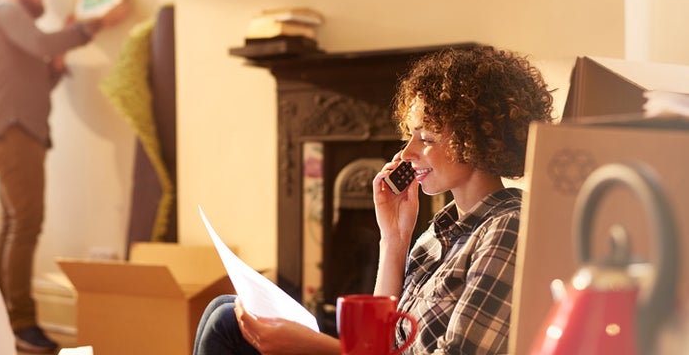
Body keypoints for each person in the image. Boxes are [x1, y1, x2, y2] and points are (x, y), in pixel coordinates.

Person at [193, 46, 555, 355]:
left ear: (477, 141)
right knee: (226, 308)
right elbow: (377, 342)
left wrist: (313, 346)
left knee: (226, 323)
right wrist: (394, 238)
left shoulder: (510, 226)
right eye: (410, 135)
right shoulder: (440, 232)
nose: (409, 152)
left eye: (426, 137)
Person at [0, 0, 128, 354]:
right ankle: (22, 323)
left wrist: (55, 65)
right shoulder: (3, 10)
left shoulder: (8, 31)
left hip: (10, 133)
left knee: (14, 224)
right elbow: (41, 42)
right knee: (25, 223)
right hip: (13, 134)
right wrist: (93, 25)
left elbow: (38, 78)